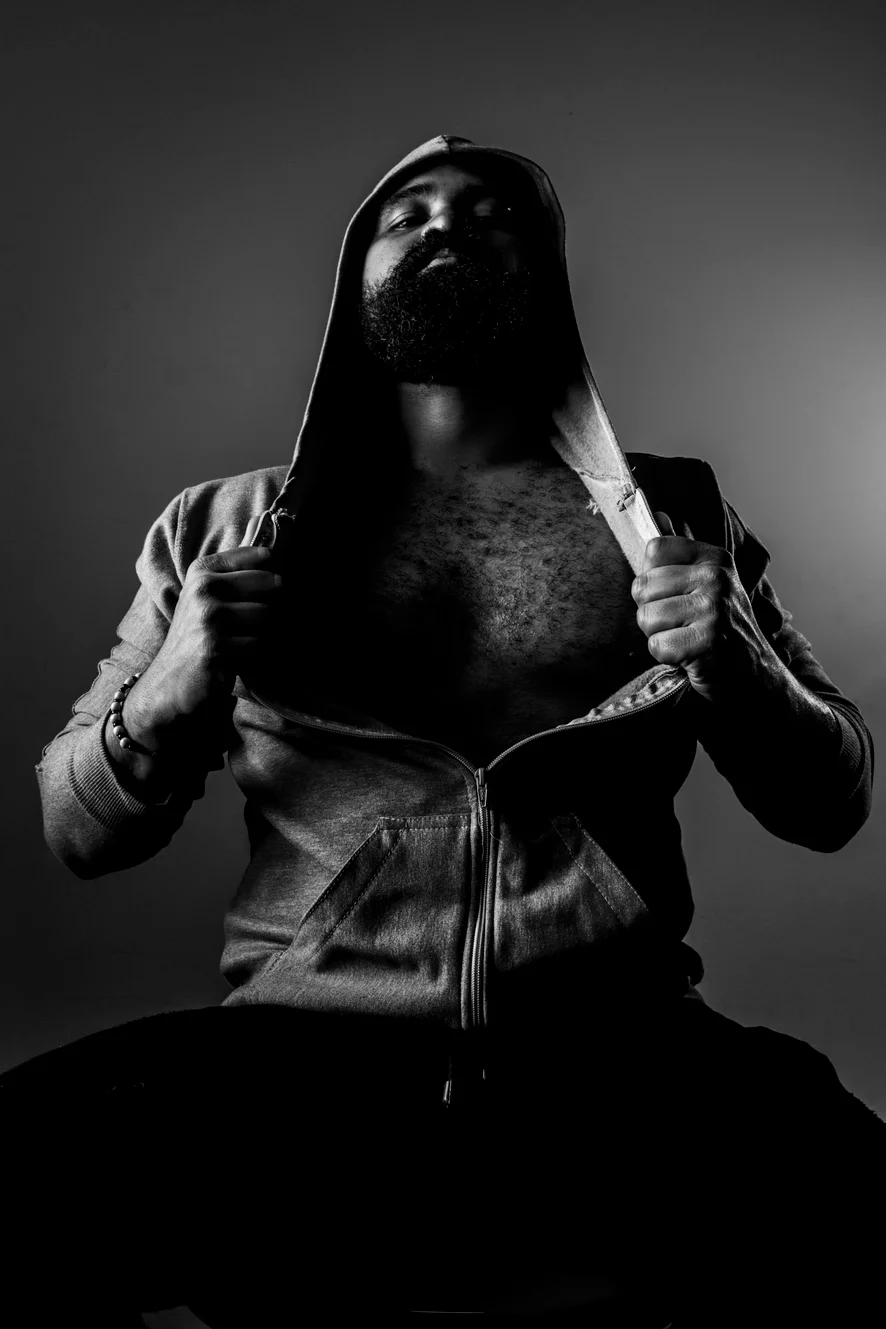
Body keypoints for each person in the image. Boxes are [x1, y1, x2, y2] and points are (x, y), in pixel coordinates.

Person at [7, 134, 882, 1327]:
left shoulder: (673, 516)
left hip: (618, 1045)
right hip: (303, 1051)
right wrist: (172, 684)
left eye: (491, 212)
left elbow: (831, 802)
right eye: (404, 212)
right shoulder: (221, 529)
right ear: (355, 273)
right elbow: (78, 831)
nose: (445, 227)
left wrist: (739, 662)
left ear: (548, 271)